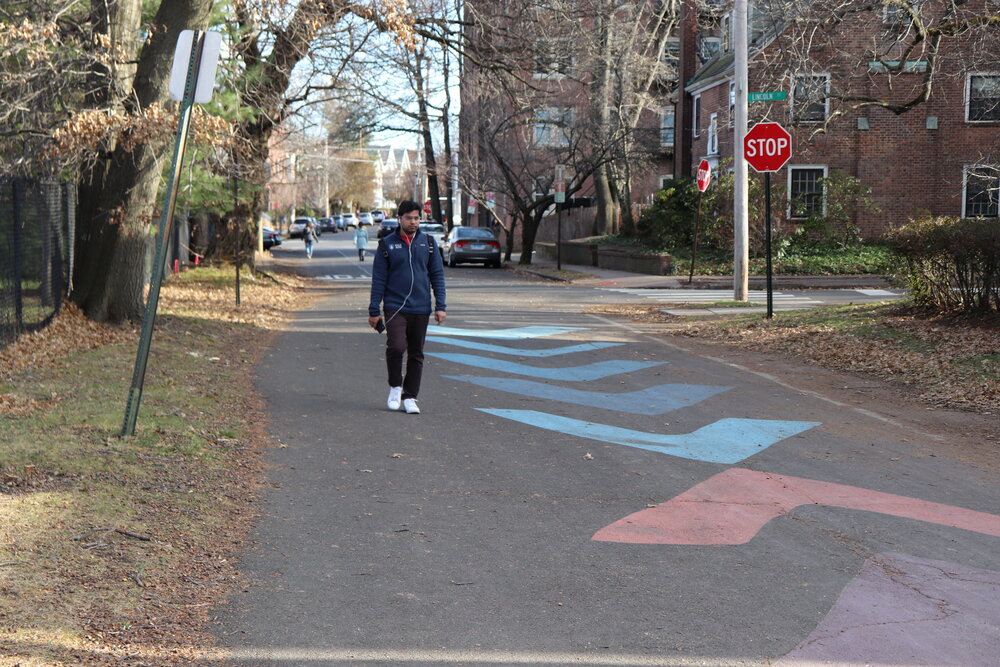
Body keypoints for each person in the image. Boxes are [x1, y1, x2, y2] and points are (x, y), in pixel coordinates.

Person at [368, 200, 446, 414]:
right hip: (395, 306)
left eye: (417, 218)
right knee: (396, 347)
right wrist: (374, 309)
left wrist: (441, 306)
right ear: (399, 219)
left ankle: (410, 397)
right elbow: (379, 279)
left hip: (421, 307)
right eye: (409, 218)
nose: (413, 222)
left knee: (416, 353)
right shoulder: (387, 245)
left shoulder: (428, 243)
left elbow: (437, 276)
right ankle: (395, 386)